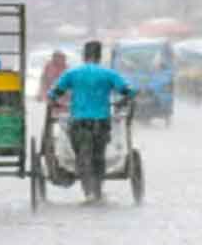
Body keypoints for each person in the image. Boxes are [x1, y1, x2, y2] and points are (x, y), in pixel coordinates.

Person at [48, 40, 137, 204]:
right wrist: (123, 100)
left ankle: (88, 192)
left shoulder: (72, 73)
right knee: (98, 157)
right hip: (101, 122)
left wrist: (55, 101)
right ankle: (97, 190)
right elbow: (129, 90)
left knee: (83, 157)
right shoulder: (108, 74)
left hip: (80, 122)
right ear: (99, 55)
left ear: (84, 55)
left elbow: (54, 92)